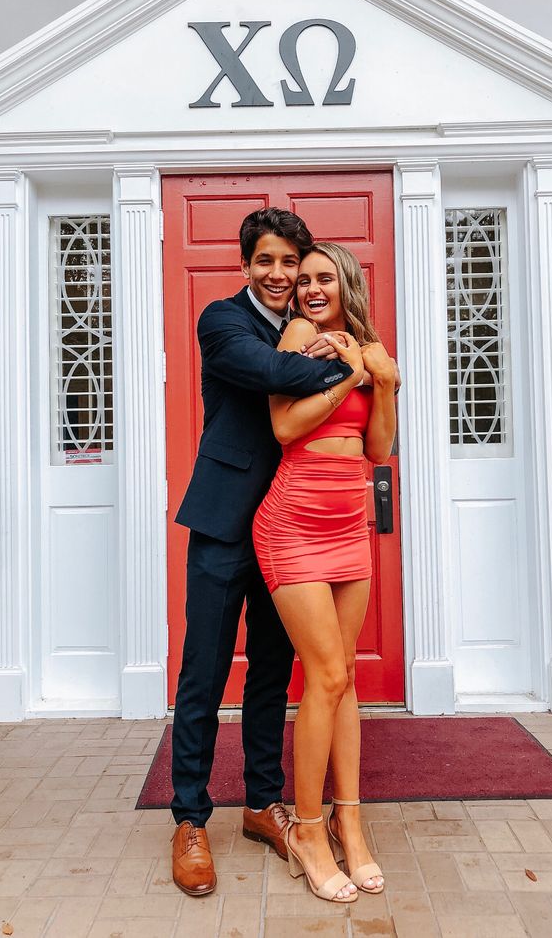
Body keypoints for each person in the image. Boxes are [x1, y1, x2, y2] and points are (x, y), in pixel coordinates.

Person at [170, 209, 356, 897]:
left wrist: (327, 354)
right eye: (267, 262)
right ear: (245, 265)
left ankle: (259, 802)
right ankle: (189, 818)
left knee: (271, 673)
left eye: (290, 263)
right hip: (224, 520)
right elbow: (264, 370)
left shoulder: (305, 324)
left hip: (288, 529)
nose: (280, 275)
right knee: (204, 670)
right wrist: (341, 359)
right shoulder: (223, 321)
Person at [253, 242, 397, 904]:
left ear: (347, 282)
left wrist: (384, 383)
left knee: (345, 684)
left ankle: (349, 819)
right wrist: (348, 378)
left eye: (321, 277)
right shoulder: (300, 335)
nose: (308, 288)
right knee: (327, 674)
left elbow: (376, 447)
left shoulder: (364, 342)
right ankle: (308, 829)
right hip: (293, 521)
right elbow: (285, 426)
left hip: (349, 522)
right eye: (301, 278)